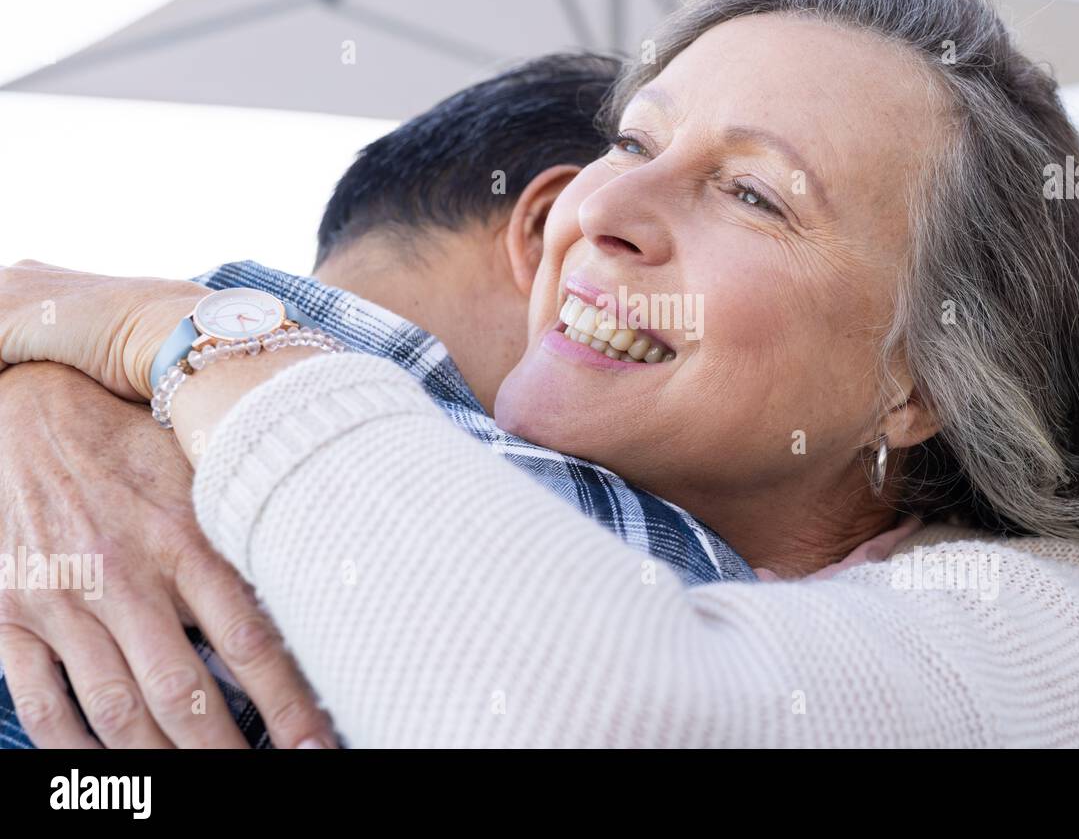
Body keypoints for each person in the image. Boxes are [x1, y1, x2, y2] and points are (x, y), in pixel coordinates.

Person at [0, 0, 1079, 747]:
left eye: (754, 194)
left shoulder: (1071, 652)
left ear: (917, 383)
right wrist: (48, 398)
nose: (600, 214)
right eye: (636, 144)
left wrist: (173, 333)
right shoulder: (497, 491)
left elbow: (583, 716)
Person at [0, 53, 753, 750]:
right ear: (550, 221)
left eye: (748, 199)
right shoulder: (616, 550)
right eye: (632, 152)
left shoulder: (97, 356)